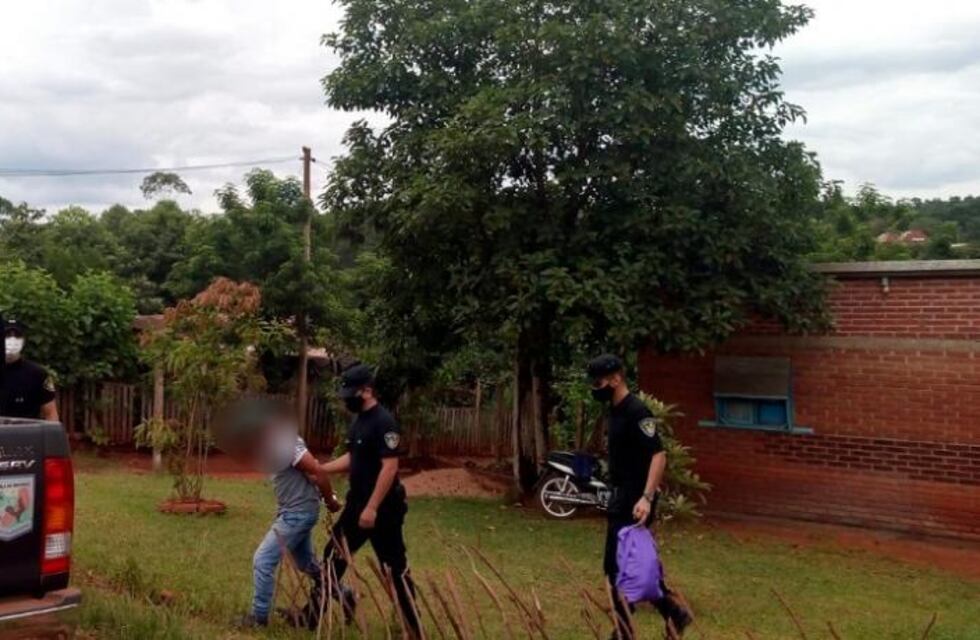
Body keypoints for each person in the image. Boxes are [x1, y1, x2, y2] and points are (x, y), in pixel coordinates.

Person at [309, 363, 420, 636]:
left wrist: (372, 508)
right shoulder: (359, 421)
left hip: (383, 510)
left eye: (351, 393)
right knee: (333, 555)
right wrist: (322, 469)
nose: (347, 398)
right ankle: (311, 617)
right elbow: (353, 458)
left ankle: (413, 627)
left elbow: (390, 467)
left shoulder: (384, 422)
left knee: (393, 568)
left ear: (367, 390)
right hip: (356, 504)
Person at [588, 353, 693, 639]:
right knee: (629, 564)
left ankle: (623, 631)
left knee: (617, 565)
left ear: (616, 378)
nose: (596, 388)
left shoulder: (638, 412)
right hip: (620, 494)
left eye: (599, 382)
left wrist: (646, 498)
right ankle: (674, 612)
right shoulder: (614, 409)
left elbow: (658, 456)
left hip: (635, 499)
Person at [237, 400, 341, 629]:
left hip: (298, 514)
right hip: (293, 511)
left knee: (263, 560)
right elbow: (309, 474)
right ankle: (345, 595)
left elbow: (316, 470)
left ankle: (258, 618)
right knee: (306, 563)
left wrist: (330, 500)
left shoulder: (284, 442)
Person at [1, 319, 59, 422]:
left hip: (27, 435)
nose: (12, 340)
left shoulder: (37, 374)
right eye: (7, 335)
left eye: (17, 336)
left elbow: (51, 414)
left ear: (23, 340)